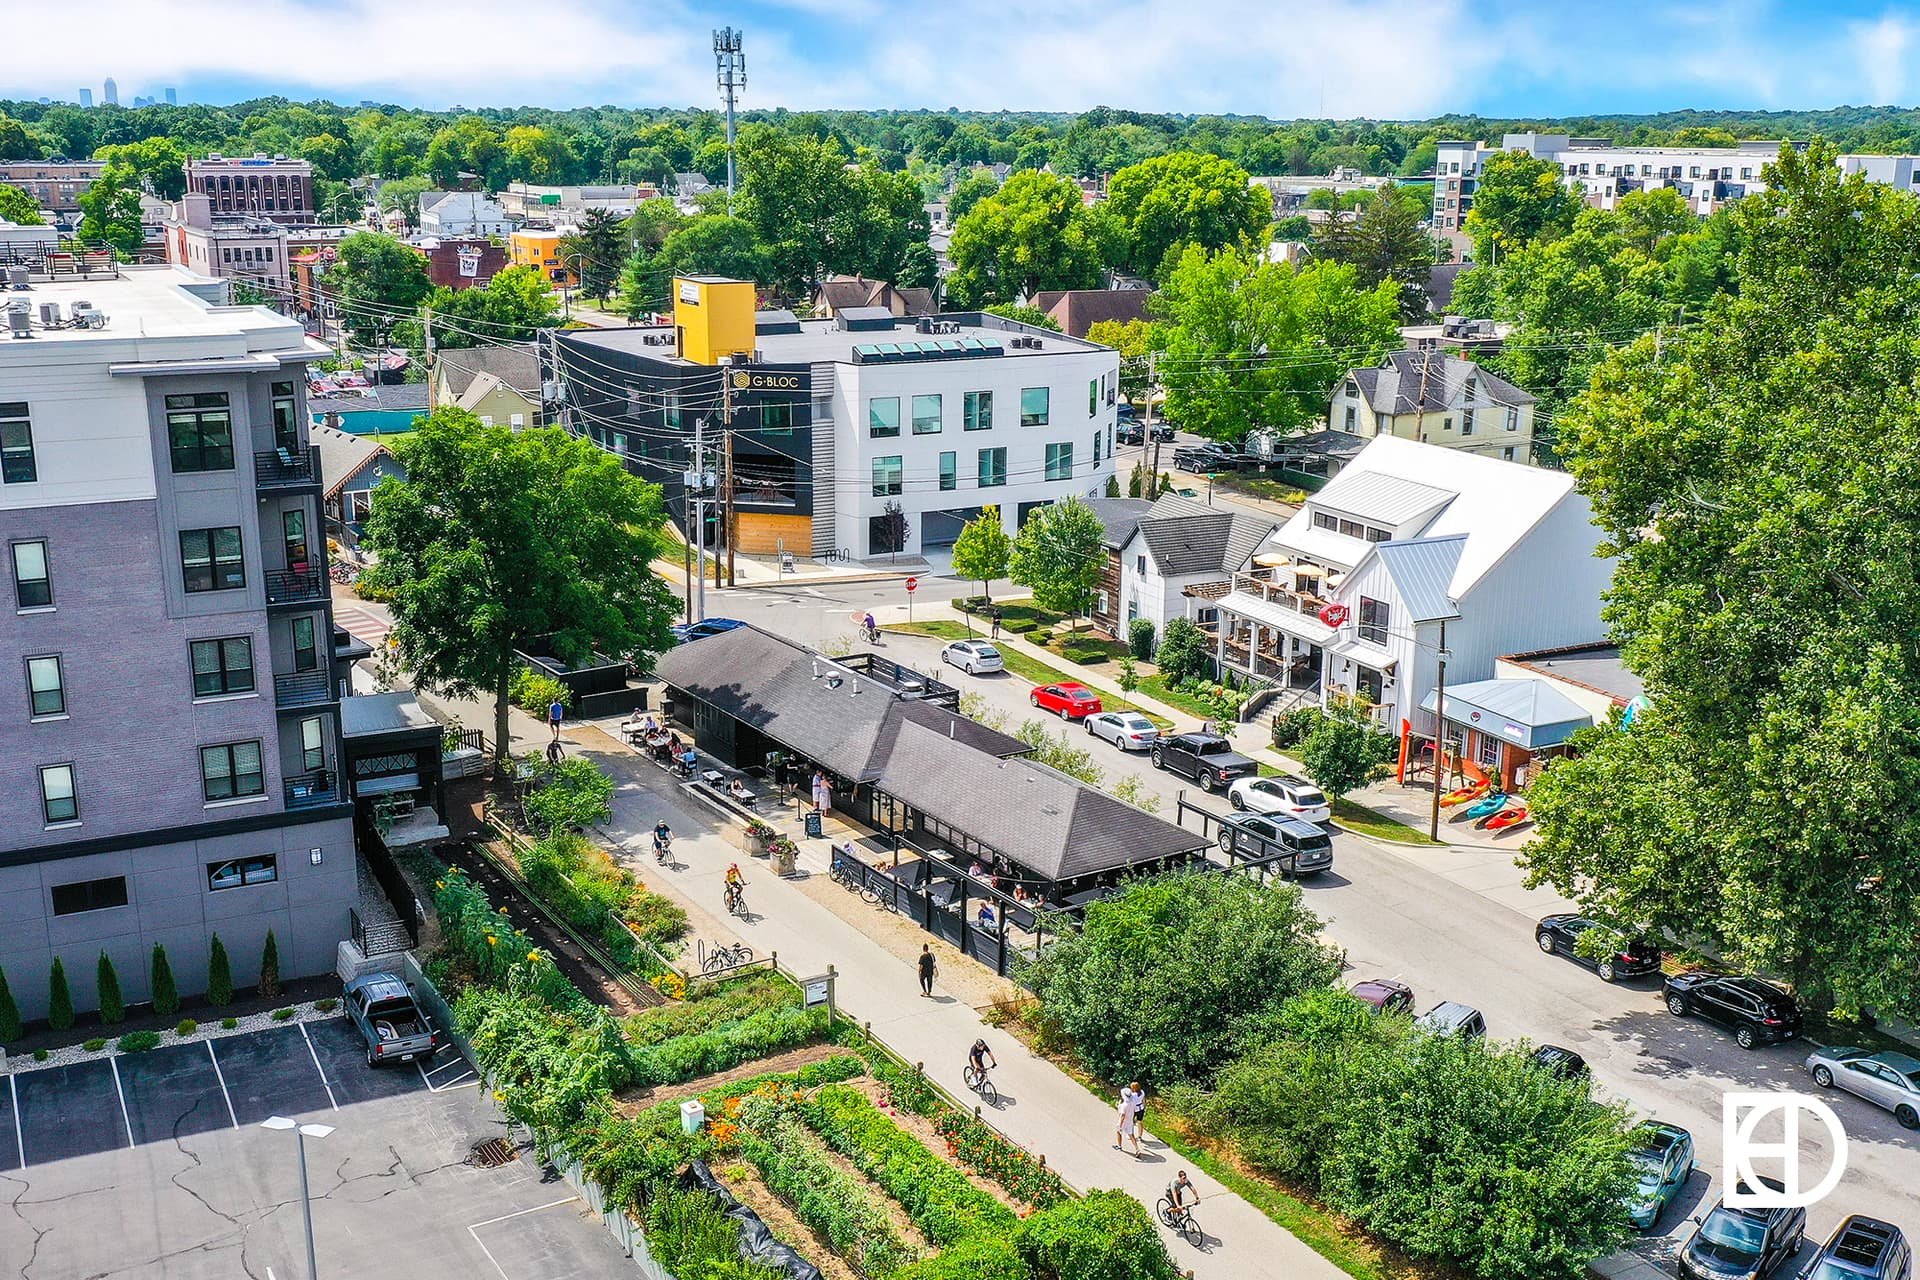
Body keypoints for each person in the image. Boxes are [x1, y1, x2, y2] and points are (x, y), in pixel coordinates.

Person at [1116, 1081, 1144, 1155]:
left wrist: (1120, 1125)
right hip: (1130, 1121)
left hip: (1124, 1121)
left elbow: (1122, 1115)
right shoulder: (1132, 1103)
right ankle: (1137, 1149)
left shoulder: (1123, 1105)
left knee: (1119, 1132)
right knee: (1131, 1135)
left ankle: (1119, 1146)